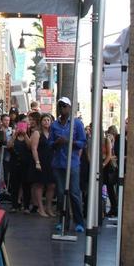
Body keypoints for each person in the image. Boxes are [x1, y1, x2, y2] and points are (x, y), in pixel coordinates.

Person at [49, 96, 86, 232]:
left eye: (65, 106)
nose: (62, 108)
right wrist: (56, 143)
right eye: (60, 106)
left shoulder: (76, 124)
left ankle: (79, 222)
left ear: (70, 108)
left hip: (73, 163)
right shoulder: (54, 125)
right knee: (60, 193)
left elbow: (83, 142)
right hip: (58, 164)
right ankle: (62, 221)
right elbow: (50, 144)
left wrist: (70, 142)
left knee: (74, 193)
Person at [102, 125, 119, 217]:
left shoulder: (109, 139)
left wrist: (103, 164)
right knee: (110, 189)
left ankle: (114, 208)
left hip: (110, 167)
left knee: (110, 188)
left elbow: (111, 154)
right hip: (111, 166)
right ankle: (113, 208)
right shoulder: (113, 140)